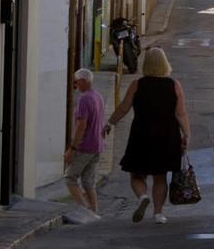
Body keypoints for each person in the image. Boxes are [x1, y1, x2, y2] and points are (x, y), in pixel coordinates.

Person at [104, 47, 191, 225]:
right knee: (160, 177)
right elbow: (180, 114)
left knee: (137, 175)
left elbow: (123, 107)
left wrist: (109, 123)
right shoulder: (174, 85)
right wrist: (186, 135)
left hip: (141, 135)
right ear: (164, 64)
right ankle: (159, 214)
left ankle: (143, 196)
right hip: (167, 137)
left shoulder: (137, 84)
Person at [64, 68, 105, 213]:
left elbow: (81, 125)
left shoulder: (84, 99)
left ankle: (85, 210)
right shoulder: (98, 96)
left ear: (82, 81)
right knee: (88, 182)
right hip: (97, 145)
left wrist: (72, 148)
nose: (75, 85)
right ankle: (94, 212)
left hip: (85, 146)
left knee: (70, 178)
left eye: (76, 82)